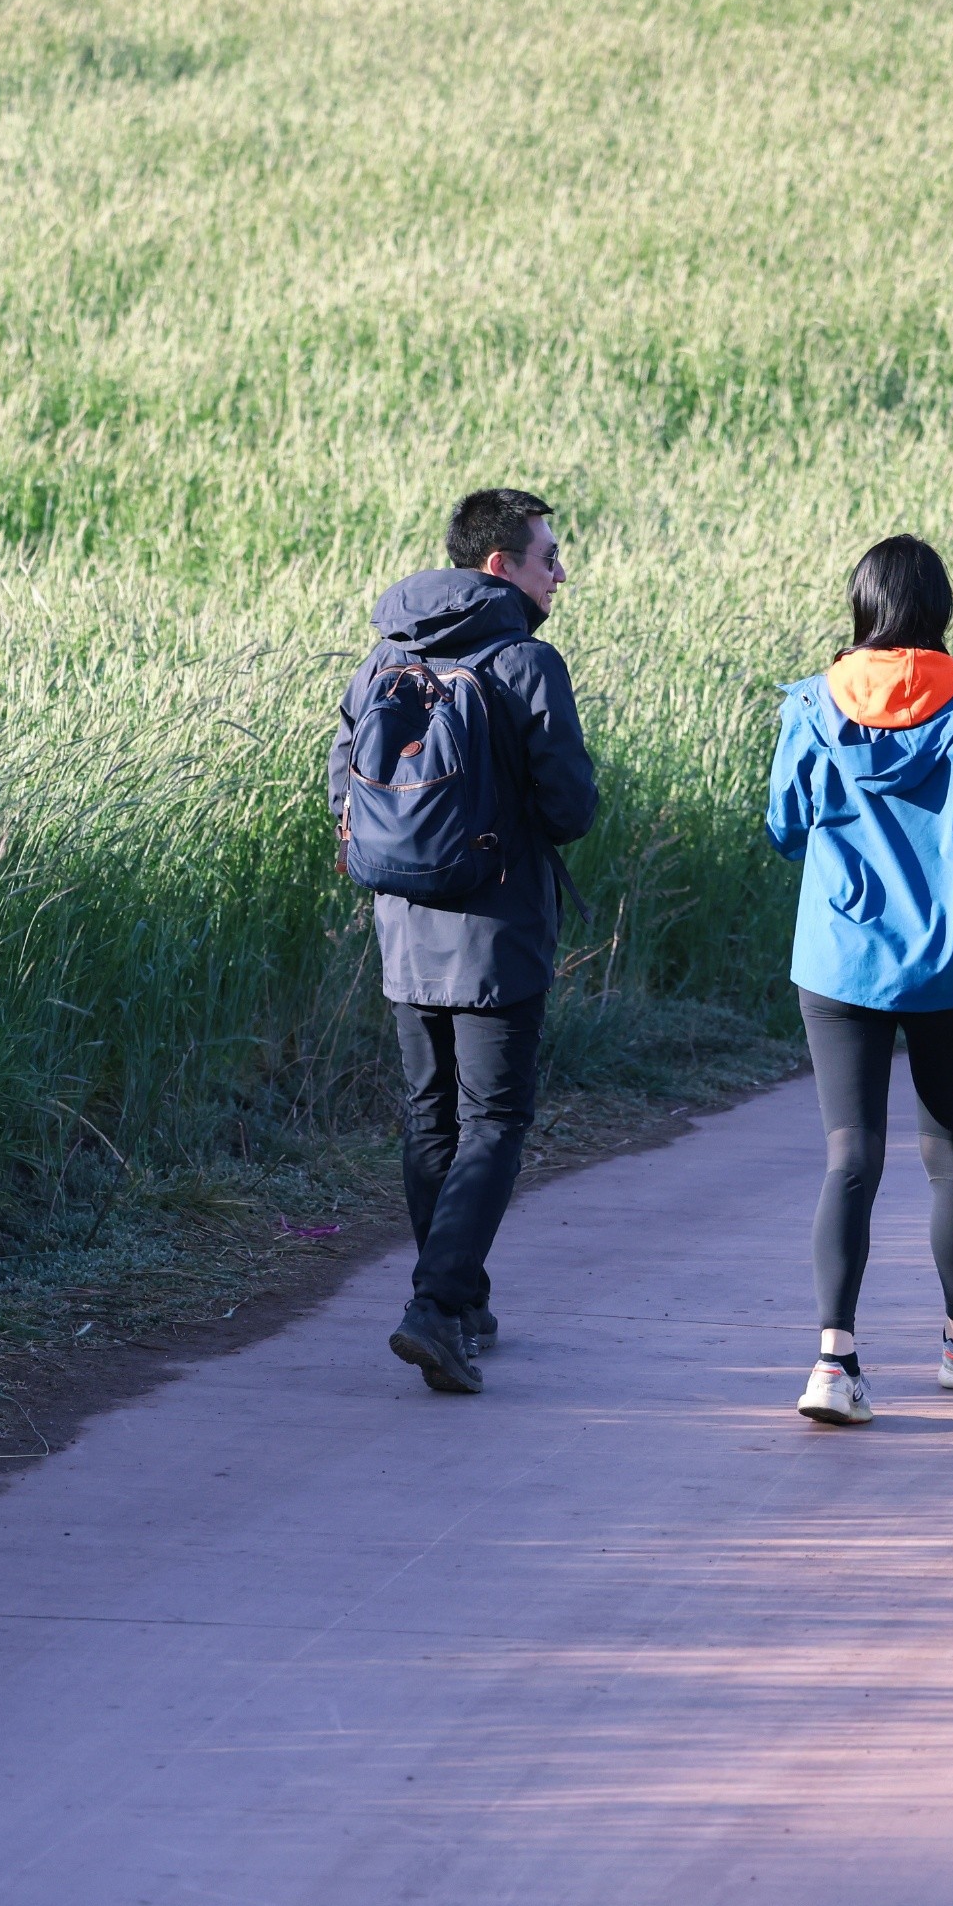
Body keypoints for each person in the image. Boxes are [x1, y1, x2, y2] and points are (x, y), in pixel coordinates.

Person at [762, 535, 953, 1427]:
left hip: (838, 961)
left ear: (862, 608)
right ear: (939, 612)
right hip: (951, 967)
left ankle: (833, 1364)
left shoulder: (810, 704)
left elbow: (785, 826)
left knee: (851, 1158)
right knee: (951, 1156)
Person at [341, 488, 600, 1394]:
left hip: (405, 932)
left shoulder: (383, 656)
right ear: (501, 567)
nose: (560, 573)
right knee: (494, 1120)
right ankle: (437, 1303)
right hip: (499, 932)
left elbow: (346, 791)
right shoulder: (525, 660)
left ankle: (462, 1302)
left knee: (430, 1118)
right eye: (548, 557)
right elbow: (571, 808)